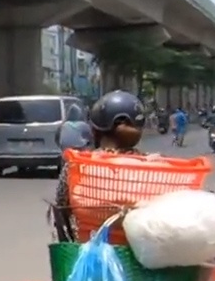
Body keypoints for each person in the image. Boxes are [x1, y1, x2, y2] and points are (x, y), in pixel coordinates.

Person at [53, 89, 146, 242]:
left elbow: (62, 208)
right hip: (141, 253)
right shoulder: (150, 166)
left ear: (95, 130)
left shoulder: (77, 166)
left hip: (90, 249)